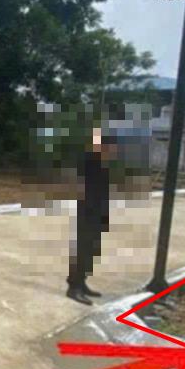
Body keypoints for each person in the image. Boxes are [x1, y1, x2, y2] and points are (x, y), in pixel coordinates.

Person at [67, 126, 112, 305]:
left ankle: (82, 282)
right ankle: (74, 287)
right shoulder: (87, 159)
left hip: (99, 210)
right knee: (82, 248)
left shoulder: (104, 162)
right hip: (87, 210)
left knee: (93, 248)